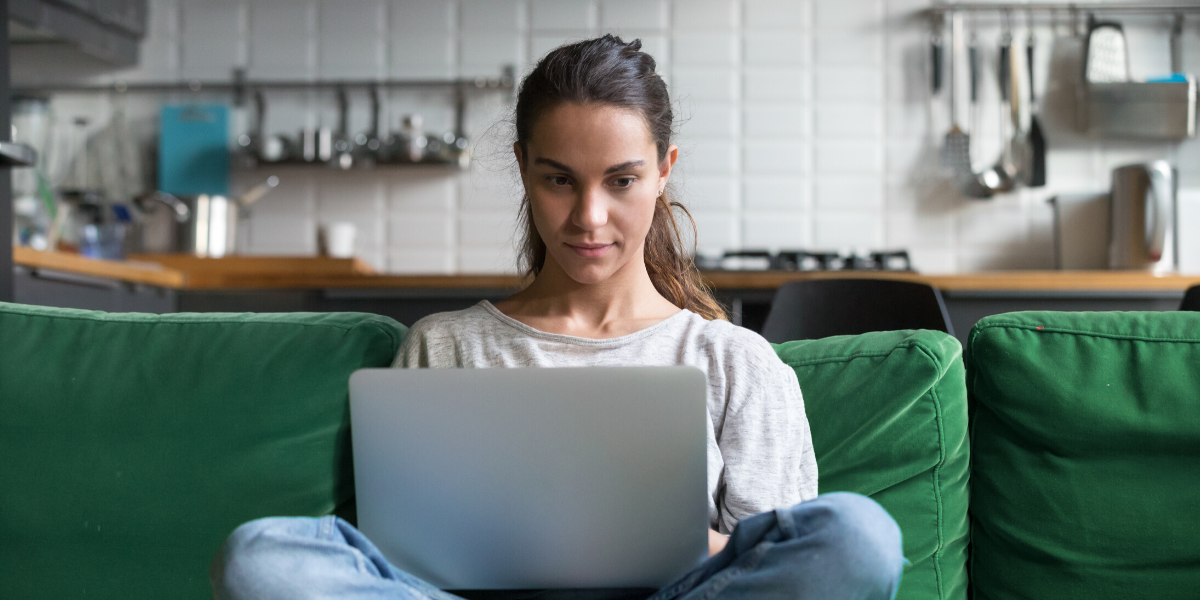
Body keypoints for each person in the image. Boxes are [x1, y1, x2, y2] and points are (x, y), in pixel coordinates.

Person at [210, 35, 904, 600]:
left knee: (857, 534)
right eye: (559, 179)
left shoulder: (734, 360)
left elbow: (768, 565)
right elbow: (402, 561)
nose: (588, 217)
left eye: (621, 180)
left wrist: (655, 538)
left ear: (664, 171)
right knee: (263, 556)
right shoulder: (445, 347)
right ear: (523, 168)